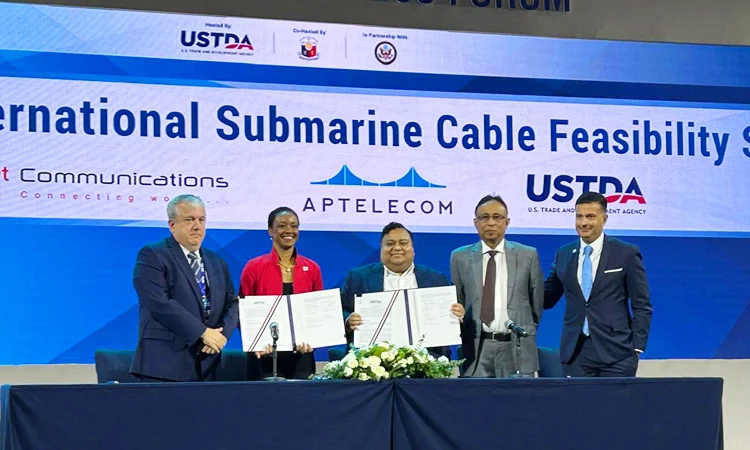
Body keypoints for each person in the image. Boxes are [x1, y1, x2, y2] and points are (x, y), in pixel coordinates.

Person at [131, 194, 239, 382]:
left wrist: (220, 337)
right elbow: (158, 302)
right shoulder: (153, 255)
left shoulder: (217, 261)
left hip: (208, 365)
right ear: (172, 225)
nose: (197, 226)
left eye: (201, 220)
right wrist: (203, 333)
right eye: (189, 220)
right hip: (164, 366)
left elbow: (232, 302)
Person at [544, 192, 652, 377]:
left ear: (604, 219)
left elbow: (642, 304)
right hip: (576, 352)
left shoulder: (625, 253)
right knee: (578, 398)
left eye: (590, 216)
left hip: (618, 353)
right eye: (579, 216)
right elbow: (547, 298)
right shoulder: (564, 253)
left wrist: (637, 347)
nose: (583, 223)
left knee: (614, 399)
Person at [450, 195, 544, 378]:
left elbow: (537, 303)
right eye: (484, 217)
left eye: (497, 217)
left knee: (518, 396)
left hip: (517, 347)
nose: (491, 223)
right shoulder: (460, 257)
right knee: (475, 396)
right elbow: (458, 301)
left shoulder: (528, 255)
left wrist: (526, 330)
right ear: (476, 223)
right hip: (476, 348)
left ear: (507, 222)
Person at [340, 222, 464, 359]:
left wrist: (456, 314)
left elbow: (448, 318)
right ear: (381, 248)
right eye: (390, 243)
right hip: (371, 359)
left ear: (413, 249)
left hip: (426, 358)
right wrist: (348, 321)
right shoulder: (358, 277)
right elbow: (339, 312)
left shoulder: (435, 279)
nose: (397, 248)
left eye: (403, 243)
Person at [240, 207, 323, 380]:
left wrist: (314, 339)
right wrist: (256, 342)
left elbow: (317, 311)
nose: (289, 230)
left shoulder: (312, 268)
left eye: (294, 225)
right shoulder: (254, 267)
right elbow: (242, 312)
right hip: (263, 354)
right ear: (270, 231)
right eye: (282, 225)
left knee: (301, 397)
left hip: (302, 354)